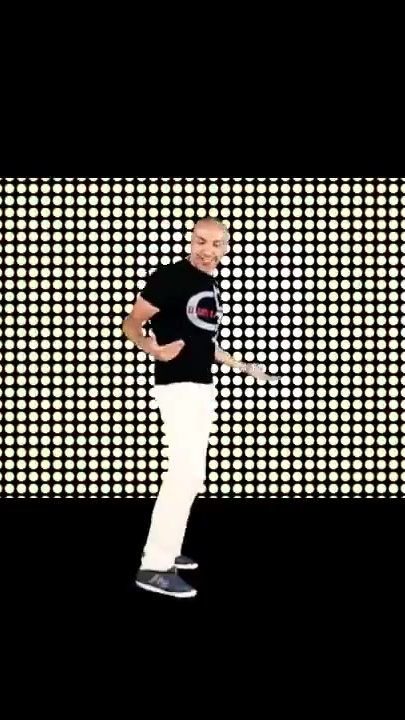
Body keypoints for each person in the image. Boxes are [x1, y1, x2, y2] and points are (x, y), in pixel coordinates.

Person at [120, 217, 272, 598]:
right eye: (201, 242)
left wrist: (243, 366)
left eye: (217, 245)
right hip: (177, 388)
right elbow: (132, 323)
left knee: (192, 476)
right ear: (191, 241)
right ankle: (155, 566)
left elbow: (203, 344)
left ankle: (170, 546)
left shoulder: (209, 285)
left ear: (225, 248)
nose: (208, 251)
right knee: (183, 474)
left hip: (201, 387)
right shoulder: (169, 278)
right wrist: (151, 348)